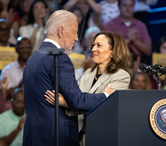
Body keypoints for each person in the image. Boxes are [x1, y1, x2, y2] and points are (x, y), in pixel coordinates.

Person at [22, 10, 113, 146]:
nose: (76, 38)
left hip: (33, 136)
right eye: (74, 32)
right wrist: (106, 96)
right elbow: (77, 101)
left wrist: (66, 102)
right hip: (55, 138)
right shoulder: (59, 58)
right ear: (61, 31)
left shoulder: (32, 58)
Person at [45, 31, 132, 146]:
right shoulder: (88, 73)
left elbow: (105, 106)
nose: (93, 49)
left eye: (99, 45)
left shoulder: (121, 75)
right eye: (93, 45)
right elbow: (79, 99)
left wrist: (68, 103)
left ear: (113, 51)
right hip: (79, 136)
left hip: (101, 136)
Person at [103, 0, 152, 64]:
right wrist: (127, 41)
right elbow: (105, 49)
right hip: (116, 64)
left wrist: (136, 41)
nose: (128, 8)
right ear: (119, 7)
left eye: (130, 5)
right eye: (125, 5)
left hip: (138, 65)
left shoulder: (141, 26)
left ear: (134, 8)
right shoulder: (110, 25)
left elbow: (148, 51)